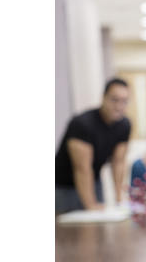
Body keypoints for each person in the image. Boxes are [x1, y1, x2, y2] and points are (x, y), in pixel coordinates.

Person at [55, 78, 131, 213]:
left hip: (94, 181)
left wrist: (119, 198)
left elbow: (118, 162)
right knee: (68, 230)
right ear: (103, 97)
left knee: (99, 225)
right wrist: (90, 205)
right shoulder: (83, 123)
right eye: (115, 99)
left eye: (124, 101)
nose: (119, 105)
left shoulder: (124, 125)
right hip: (63, 187)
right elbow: (82, 168)